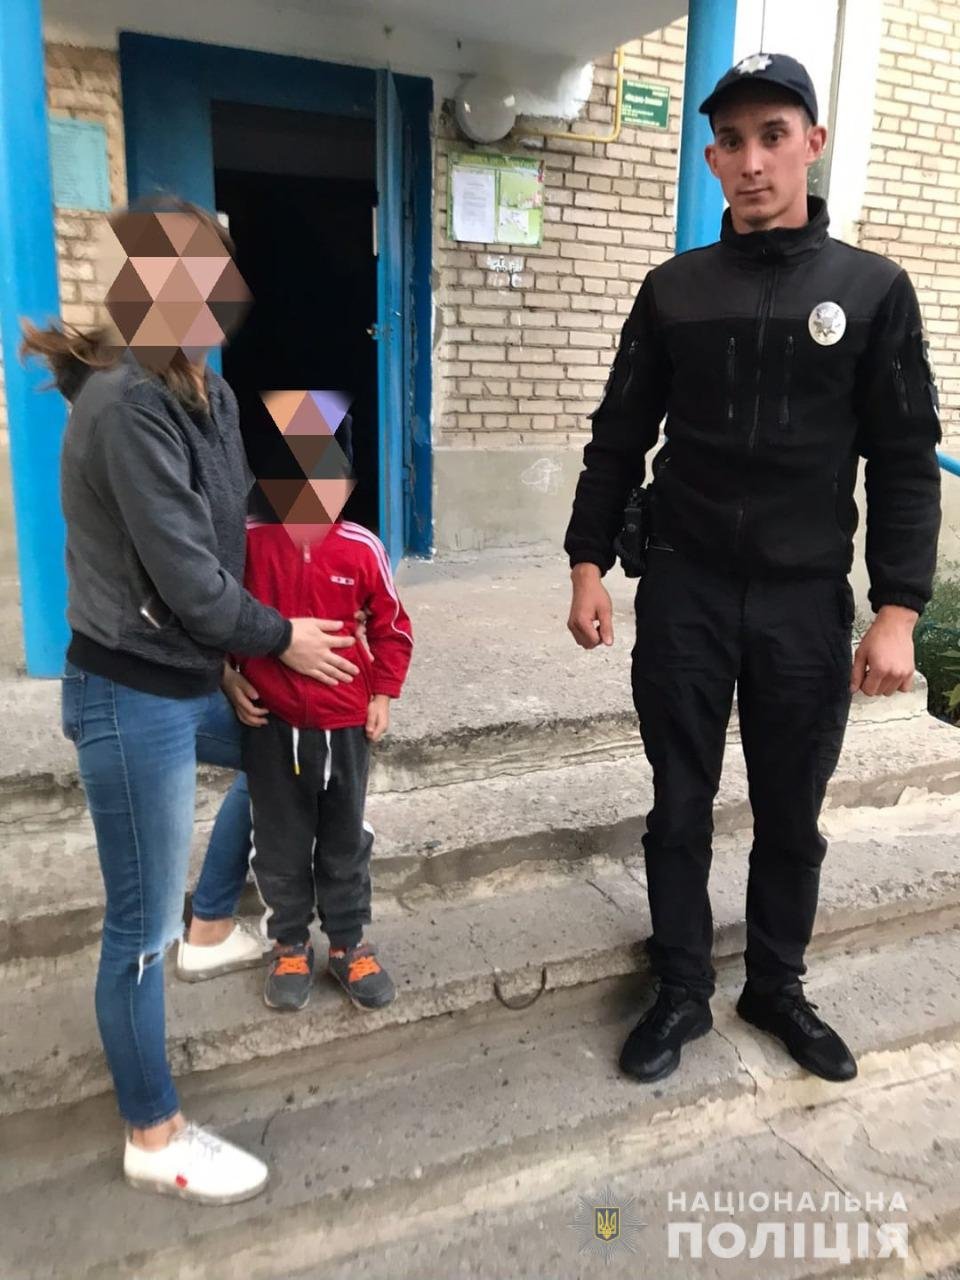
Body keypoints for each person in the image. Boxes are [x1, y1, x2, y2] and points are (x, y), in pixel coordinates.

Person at [564, 54, 941, 1086]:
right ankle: (682, 986)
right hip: (683, 591)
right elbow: (617, 438)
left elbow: (905, 458)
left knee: (789, 812)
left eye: (774, 136)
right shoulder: (674, 291)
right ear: (711, 159)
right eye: (731, 142)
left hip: (802, 603)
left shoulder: (872, 291)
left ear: (812, 144)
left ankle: (776, 983)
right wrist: (587, 562)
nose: (752, 161)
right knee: (679, 805)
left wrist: (899, 607)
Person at [23, 198, 363, 1204]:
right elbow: (186, 579)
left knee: (286, 746)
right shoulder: (126, 405)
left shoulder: (202, 388)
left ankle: (212, 925)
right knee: (137, 931)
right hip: (128, 693)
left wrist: (231, 665)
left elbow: (225, 542)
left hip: (186, 672)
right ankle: (153, 1130)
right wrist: (280, 637)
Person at [233, 474, 413, 1013]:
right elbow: (220, 616)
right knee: (279, 842)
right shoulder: (247, 542)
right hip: (271, 724)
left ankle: (347, 942)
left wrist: (383, 694)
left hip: (346, 727)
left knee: (344, 839)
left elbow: (392, 627)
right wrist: (227, 675)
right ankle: (289, 945)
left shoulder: (362, 546)